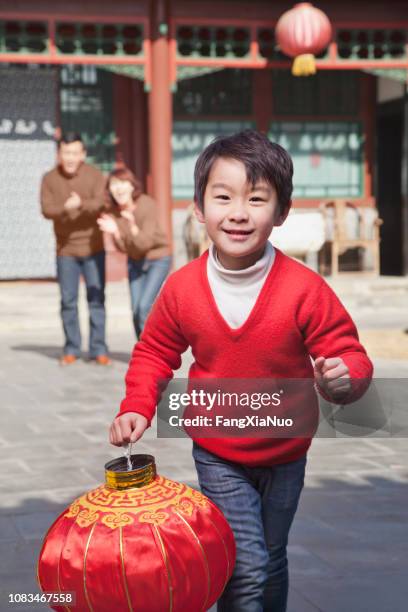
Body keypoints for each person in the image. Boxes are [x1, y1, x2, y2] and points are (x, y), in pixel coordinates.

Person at [108, 130, 373, 611]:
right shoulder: (182, 289)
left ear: (282, 212)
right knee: (246, 562)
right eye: (223, 197)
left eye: (256, 199)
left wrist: (344, 379)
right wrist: (137, 406)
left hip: (286, 448)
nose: (238, 212)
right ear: (199, 207)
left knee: (270, 558)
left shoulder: (304, 289)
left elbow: (348, 353)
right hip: (218, 450)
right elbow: (154, 352)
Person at [40, 132, 111, 366]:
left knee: (96, 299)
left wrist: (79, 204)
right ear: (59, 154)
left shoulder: (94, 175)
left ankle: (98, 348)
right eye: (65, 152)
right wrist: (67, 208)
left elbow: (102, 202)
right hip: (65, 251)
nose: (70, 157)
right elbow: (47, 209)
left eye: (74, 153)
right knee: (68, 301)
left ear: (83, 154)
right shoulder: (49, 178)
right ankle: (71, 348)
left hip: (93, 247)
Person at [97, 166, 171, 337]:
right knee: (135, 309)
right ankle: (143, 350)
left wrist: (129, 227)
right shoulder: (113, 212)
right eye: (114, 184)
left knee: (145, 306)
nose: (119, 188)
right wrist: (116, 232)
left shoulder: (146, 204)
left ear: (132, 186)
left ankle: (153, 354)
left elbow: (144, 243)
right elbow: (123, 249)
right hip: (134, 260)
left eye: (123, 182)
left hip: (157, 258)